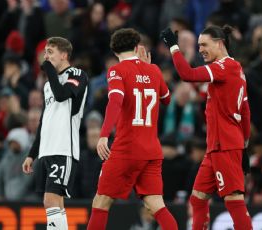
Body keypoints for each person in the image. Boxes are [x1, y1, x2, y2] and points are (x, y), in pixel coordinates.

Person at [160, 25, 252, 230]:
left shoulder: (224, 67)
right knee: (198, 199)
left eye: (204, 44)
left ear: (219, 43)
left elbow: (187, 74)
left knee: (233, 200)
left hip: (224, 145)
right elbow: (245, 110)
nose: (200, 49)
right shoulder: (235, 69)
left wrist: (174, 48)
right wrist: (244, 144)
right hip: (218, 146)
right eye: (199, 45)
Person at [87, 28, 178, 230]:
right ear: (138, 47)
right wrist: (149, 70)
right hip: (152, 150)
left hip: (127, 148)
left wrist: (103, 135)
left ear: (114, 52)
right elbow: (167, 99)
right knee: (156, 205)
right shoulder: (154, 70)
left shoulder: (117, 71)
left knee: (101, 202)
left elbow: (115, 101)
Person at [22, 37, 88, 230]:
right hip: (46, 150)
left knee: (50, 201)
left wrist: (49, 69)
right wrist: (31, 154)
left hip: (63, 148)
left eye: (50, 52)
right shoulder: (47, 85)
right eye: (45, 52)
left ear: (64, 55)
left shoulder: (77, 74)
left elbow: (61, 95)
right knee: (55, 204)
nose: (46, 56)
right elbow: (44, 121)